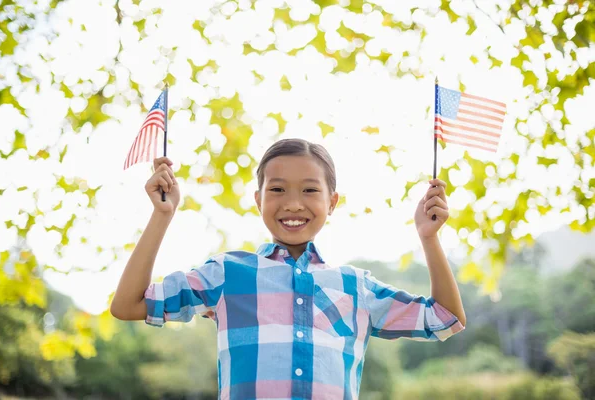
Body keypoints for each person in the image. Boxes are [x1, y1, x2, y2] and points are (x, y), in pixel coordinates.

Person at [111, 138, 466, 399]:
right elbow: (128, 304)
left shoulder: (356, 286)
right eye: (277, 189)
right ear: (258, 200)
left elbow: (445, 319)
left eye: (310, 190)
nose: (293, 203)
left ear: (332, 202)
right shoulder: (226, 274)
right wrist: (162, 215)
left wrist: (429, 237)